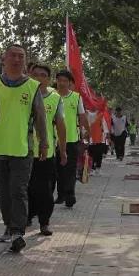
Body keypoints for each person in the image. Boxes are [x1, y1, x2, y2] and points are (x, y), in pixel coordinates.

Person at [0, 45, 47, 253]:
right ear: (4, 58)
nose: (16, 59)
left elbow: (40, 117)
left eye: (21, 56)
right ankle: (8, 225)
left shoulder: (32, 86)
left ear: (25, 60)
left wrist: (44, 142)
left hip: (23, 149)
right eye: (12, 55)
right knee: (4, 192)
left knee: (19, 190)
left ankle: (17, 232)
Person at [27, 64, 66, 236]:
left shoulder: (55, 98)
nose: (38, 78)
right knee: (26, 189)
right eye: (35, 75)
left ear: (49, 79)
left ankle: (44, 222)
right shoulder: (23, 94)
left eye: (43, 75)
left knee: (45, 191)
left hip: (45, 153)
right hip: (23, 151)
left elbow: (61, 126)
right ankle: (26, 218)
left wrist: (63, 150)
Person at [54, 71, 89, 208]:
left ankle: (70, 195)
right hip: (54, 140)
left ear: (70, 83)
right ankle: (60, 194)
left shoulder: (76, 97)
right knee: (58, 169)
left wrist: (87, 131)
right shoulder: (52, 95)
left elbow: (82, 116)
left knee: (70, 168)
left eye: (65, 80)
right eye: (59, 80)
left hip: (72, 139)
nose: (62, 83)